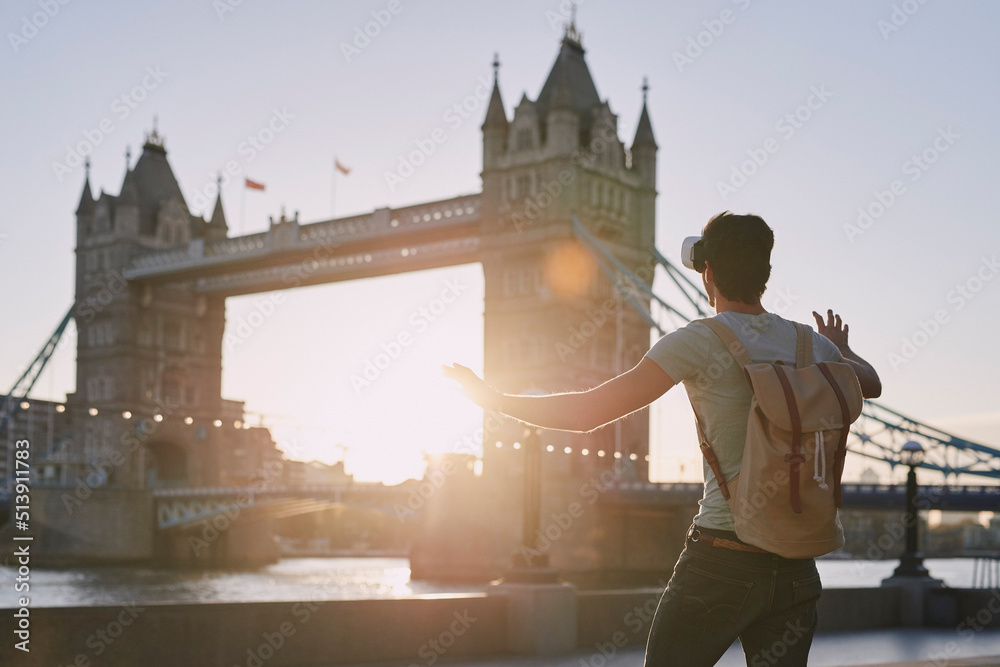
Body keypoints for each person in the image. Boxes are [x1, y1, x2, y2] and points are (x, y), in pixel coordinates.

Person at [443, 212, 881, 666]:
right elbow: (869, 383)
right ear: (766, 275)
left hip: (722, 562)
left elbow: (589, 412)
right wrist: (843, 350)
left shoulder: (698, 341)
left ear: (707, 273)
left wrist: (495, 399)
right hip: (796, 565)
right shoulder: (809, 343)